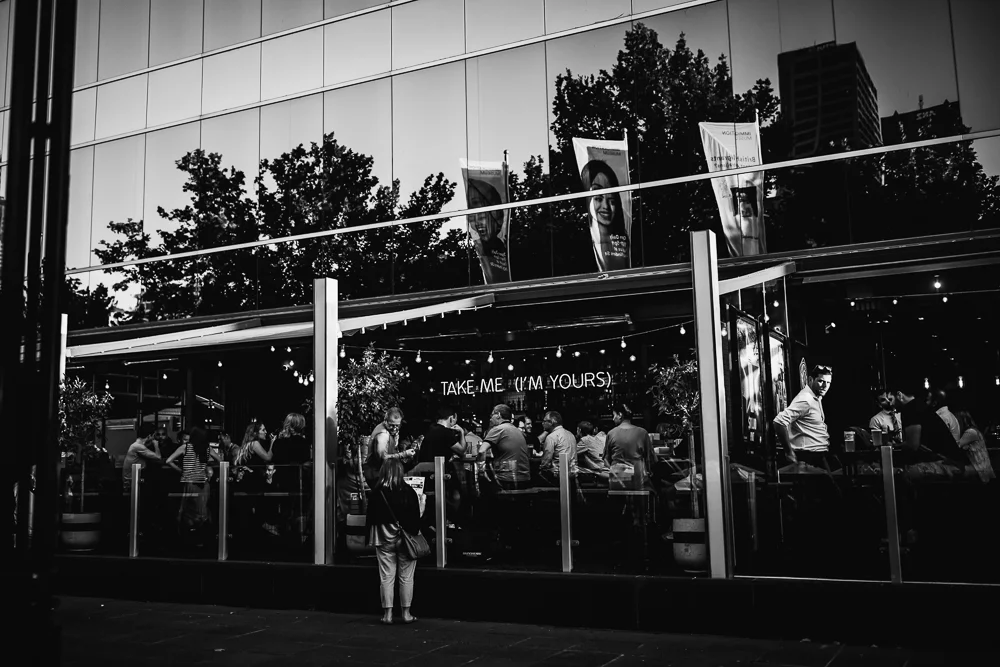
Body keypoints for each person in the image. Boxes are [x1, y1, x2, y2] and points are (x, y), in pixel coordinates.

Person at [366, 459, 422, 625]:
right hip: (405, 540)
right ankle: (406, 614)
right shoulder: (409, 492)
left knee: (386, 577)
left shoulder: (377, 493)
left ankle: (388, 614)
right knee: (406, 577)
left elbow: (371, 519)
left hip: (384, 539)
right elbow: (416, 518)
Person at [772, 365, 839, 470]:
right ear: (811, 380)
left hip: (818, 456)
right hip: (809, 457)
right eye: (821, 381)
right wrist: (789, 452)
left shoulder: (815, 397)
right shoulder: (806, 399)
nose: (825, 386)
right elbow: (779, 421)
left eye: (828, 382)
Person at [893, 380, 964, 465]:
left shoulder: (910, 409)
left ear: (899, 395)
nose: (889, 403)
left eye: (890, 399)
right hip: (952, 459)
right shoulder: (918, 405)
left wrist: (893, 447)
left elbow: (913, 445)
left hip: (947, 463)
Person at [165, 428, 214, 545]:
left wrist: (181, 471)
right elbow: (220, 460)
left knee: (187, 509)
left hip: (190, 482)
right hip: (203, 483)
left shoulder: (185, 447)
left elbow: (168, 461)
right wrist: (206, 466)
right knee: (203, 510)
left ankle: (188, 539)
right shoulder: (207, 448)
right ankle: (203, 538)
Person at [581, 159, 629, 272]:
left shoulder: (624, 243)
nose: (606, 206)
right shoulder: (581, 240)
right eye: (598, 199)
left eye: (612, 201)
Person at [483, 404, 530, 489]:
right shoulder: (518, 430)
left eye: (492, 415)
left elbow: (481, 451)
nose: (490, 418)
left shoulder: (498, 429)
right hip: (525, 479)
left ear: (498, 415)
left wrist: (480, 470)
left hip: (507, 479)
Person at [603, 405, 651, 487]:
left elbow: (606, 459)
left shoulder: (611, 433)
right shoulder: (643, 433)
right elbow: (649, 459)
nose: (613, 419)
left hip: (617, 479)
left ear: (620, 415)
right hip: (638, 479)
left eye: (614, 415)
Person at [954, 410, 996, 483]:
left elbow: (956, 448)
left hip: (979, 470)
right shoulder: (972, 431)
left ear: (963, 420)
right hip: (980, 469)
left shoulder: (971, 432)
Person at [539, 411, 578, 485]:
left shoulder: (551, 437)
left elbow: (546, 461)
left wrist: (541, 467)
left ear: (552, 422)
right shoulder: (571, 434)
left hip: (559, 475)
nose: (542, 423)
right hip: (573, 473)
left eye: (544, 421)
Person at [122, 424, 161, 491]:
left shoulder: (136, 445)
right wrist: (156, 444)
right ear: (149, 436)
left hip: (133, 478)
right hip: (131, 481)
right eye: (154, 435)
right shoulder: (138, 446)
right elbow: (158, 457)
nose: (154, 438)